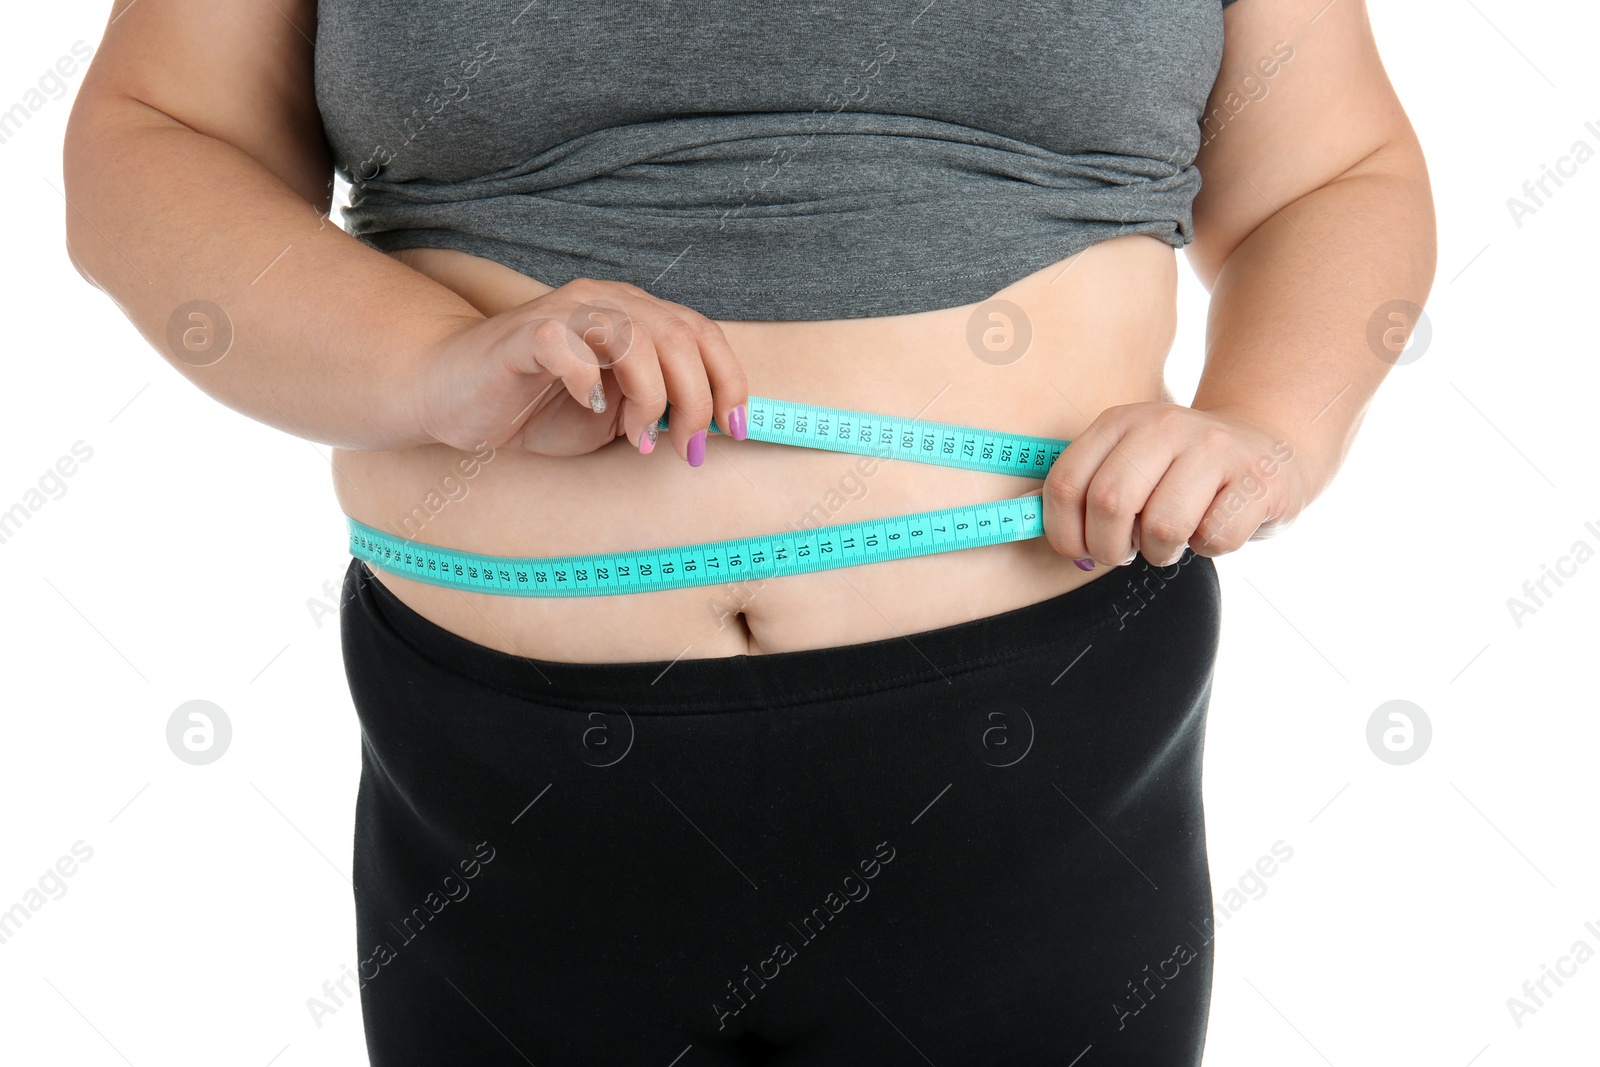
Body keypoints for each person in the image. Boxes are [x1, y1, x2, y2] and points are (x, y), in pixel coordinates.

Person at [63, 0, 1435, 1063]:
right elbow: (155, 144)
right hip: (505, 784)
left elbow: (1334, 172)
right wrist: (438, 364)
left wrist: (1268, 420)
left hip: (1034, 760)